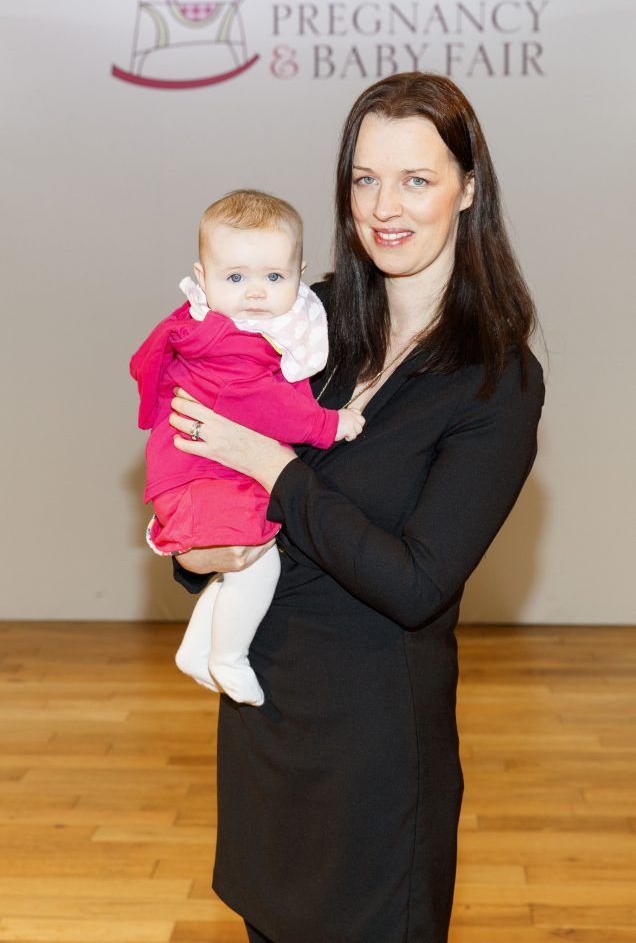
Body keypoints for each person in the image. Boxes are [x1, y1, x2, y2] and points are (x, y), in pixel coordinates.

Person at [168, 73, 545, 943]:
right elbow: (211, 472)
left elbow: (416, 583)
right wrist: (194, 551)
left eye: (417, 179)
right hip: (267, 721)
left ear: (469, 188)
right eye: (365, 178)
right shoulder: (303, 318)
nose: (386, 206)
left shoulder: (496, 380)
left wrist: (274, 471)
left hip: (374, 758)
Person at [130, 190, 364, 706]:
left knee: (245, 558)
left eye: (273, 277)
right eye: (235, 278)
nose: (255, 293)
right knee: (259, 561)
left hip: (205, 472)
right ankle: (227, 656)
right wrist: (329, 425)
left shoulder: (249, 324)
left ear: (299, 272)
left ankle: (196, 650)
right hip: (203, 476)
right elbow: (266, 407)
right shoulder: (224, 339)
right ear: (203, 275)